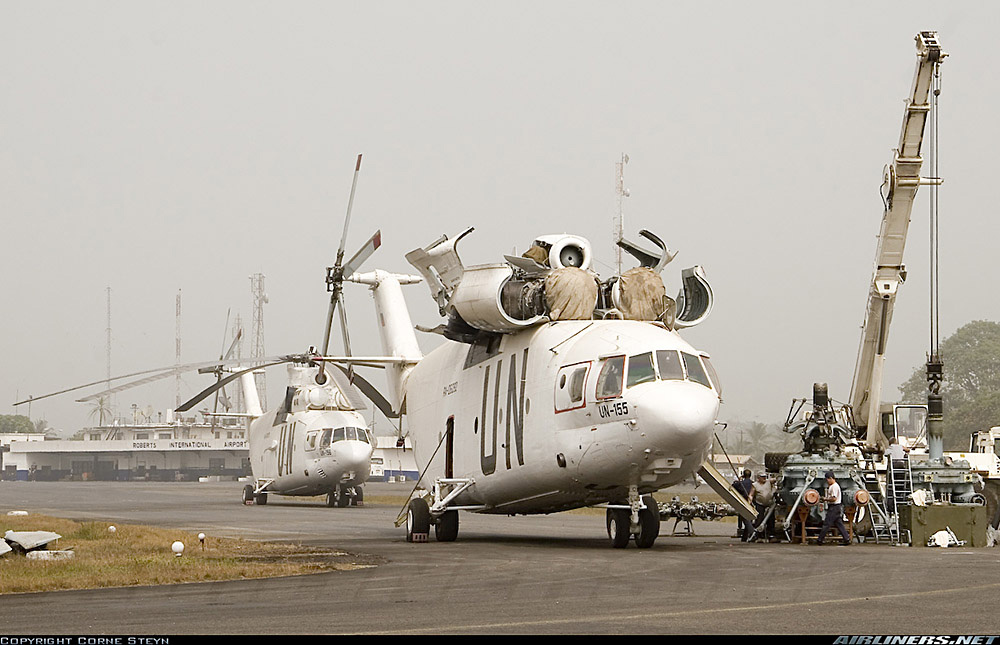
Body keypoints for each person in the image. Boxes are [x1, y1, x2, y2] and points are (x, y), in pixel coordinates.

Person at [816, 470, 851, 546]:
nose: (827, 481)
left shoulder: (834, 486)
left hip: (834, 507)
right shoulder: (834, 486)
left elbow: (834, 498)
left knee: (827, 524)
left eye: (827, 479)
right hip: (837, 507)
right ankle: (847, 539)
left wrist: (825, 499)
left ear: (831, 478)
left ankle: (820, 539)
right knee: (839, 523)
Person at [749, 471, 777, 542]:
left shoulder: (769, 482)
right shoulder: (755, 485)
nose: (764, 478)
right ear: (758, 478)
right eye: (762, 477)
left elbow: (775, 479)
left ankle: (771, 536)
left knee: (771, 520)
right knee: (759, 519)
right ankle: (758, 536)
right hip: (760, 504)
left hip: (770, 504)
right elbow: (751, 494)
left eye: (765, 476)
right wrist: (749, 502)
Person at [732, 469, 753, 540]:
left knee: (745, 519)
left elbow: (733, 486)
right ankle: (745, 537)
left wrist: (739, 479)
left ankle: (751, 533)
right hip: (751, 502)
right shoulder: (753, 483)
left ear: (743, 475)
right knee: (749, 518)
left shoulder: (740, 483)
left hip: (743, 502)